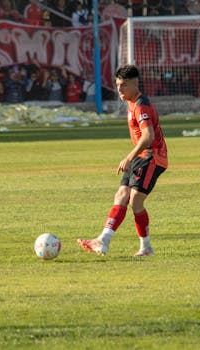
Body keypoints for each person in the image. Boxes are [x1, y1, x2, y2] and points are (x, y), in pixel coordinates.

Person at [77, 64, 168, 257]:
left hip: (152, 155)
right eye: (118, 84)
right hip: (140, 156)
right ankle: (103, 240)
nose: (120, 89)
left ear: (135, 84)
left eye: (124, 85)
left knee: (135, 200)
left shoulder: (141, 105)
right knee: (121, 196)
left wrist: (128, 157)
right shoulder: (131, 102)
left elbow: (148, 137)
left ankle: (145, 247)